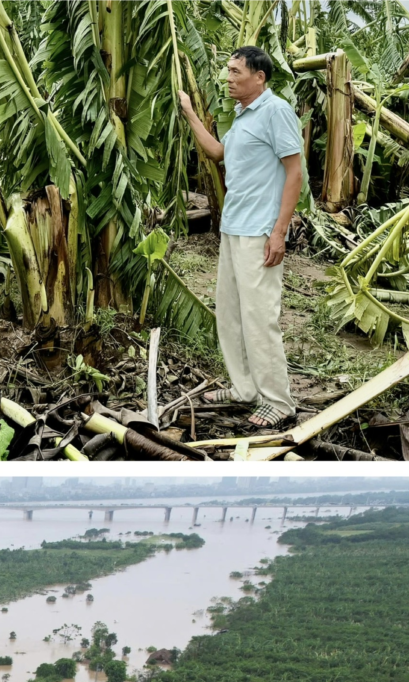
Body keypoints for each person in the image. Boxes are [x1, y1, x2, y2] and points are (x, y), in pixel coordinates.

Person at [178, 46, 303, 429]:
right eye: (227, 71)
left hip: (259, 232)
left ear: (259, 77)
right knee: (231, 314)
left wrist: (279, 232)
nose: (228, 78)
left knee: (259, 316)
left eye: (235, 72)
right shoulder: (242, 116)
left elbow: (295, 173)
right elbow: (219, 153)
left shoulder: (276, 111)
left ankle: (278, 401)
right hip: (233, 229)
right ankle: (245, 388)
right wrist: (189, 112)